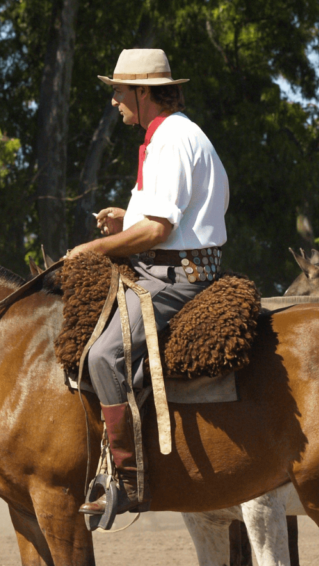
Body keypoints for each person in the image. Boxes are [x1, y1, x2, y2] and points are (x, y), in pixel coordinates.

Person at [71, 48, 229, 517]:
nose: (114, 101)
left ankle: (129, 479)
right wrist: (127, 218)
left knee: (104, 355)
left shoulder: (172, 140)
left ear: (144, 93)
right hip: (164, 267)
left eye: (119, 92)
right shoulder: (169, 135)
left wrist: (90, 250)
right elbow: (162, 218)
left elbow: (159, 231)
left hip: (177, 280)